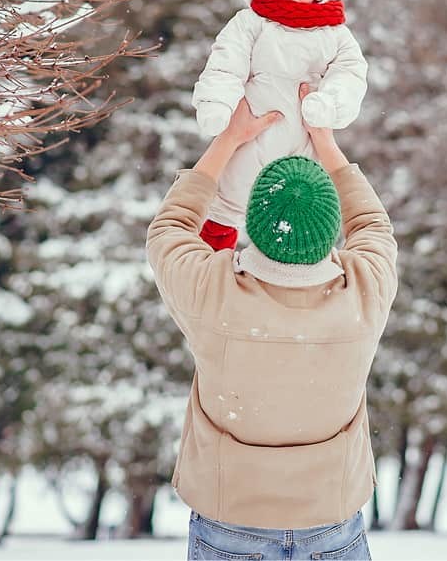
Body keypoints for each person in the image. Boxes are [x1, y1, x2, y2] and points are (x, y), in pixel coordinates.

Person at [146, 85, 397, 560]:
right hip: (332, 525)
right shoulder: (365, 291)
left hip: (231, 521)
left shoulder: (212, 291)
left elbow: (169, 228)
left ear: (254, 224)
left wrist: (229, 140)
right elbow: (374, 227)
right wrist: (326, 143)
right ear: (330, 229)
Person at [191, 0, 368, 251]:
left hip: (302, 143)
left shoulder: (334, 35)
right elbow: (226, 62)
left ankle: (288, 283)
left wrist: (328, 104)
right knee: (224, 207)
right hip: (249, 135)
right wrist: (217, 102)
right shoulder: (251, 22)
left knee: (294, 223)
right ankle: (212, 272)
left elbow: (351, 76)